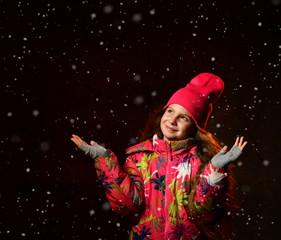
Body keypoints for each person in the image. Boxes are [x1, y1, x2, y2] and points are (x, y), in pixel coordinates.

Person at [71, 72, 247, 240]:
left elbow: (202, 214)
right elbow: (125, 204)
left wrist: (214, 174)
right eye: (170, 111)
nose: (172, 120)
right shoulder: (139, 157)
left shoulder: (200, 161)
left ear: (195, 127)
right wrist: (106, 162)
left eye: (184, 118)